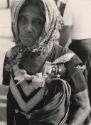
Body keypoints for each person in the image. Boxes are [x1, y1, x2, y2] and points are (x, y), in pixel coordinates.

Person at [2, 0, 90, 125]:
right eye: (22, 19)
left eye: (37, 22)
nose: (28, 28)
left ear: (50, 24)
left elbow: (84, 106)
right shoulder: (12, 56)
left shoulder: (69, 60)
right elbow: (10, 101)